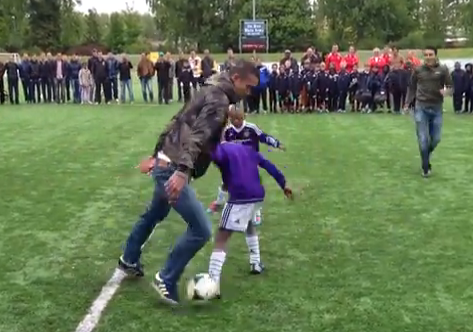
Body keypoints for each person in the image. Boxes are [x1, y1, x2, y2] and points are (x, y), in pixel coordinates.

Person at [117, 59, 260, 305]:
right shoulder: (219, 100)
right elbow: (197, 136)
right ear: (236, 79)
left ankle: (129, 258)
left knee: (154, 213)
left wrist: (156, 154)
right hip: (173, 167)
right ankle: (167, 278)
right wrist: (182, 172)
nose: (249, 93)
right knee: (201, 229)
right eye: (248, 87)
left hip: (166, 161)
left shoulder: (209, 89)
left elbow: (176, 121)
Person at [207, 141, 293, 294]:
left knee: (221, 237)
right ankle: (256, 263)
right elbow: (268, 165)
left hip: (240, 197)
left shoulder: (220, 150)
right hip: (258, 196)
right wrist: (283, 184)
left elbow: (211, 158)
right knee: (249, 225)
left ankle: (212, 283)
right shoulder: (248, 149)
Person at [207, 107, 285, 225]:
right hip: (234, 161)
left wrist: (276, 143)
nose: (238, 121)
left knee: (255, 185)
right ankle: (218, 203)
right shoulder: (228, 131)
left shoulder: (251, 128)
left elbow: (264, 137)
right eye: (235, 119)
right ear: (231, 119)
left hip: (251, 160)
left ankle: (256, 212)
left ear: (244, 117)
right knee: (226, 183)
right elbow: (222, 145)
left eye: (240, 119)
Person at [404, 46, 452, 177]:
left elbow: (451, 86)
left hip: (436, 108)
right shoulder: (418, 70)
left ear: (436, 55)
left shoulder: (443, 70)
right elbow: (412, 87)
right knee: (423, 139)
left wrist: (447, 91)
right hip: (421, 107)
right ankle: (426, 167)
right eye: (426, 55)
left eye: (431, 54)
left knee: (436, 139)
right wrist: (407, 103)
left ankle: (426, 155)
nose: (428, 57)